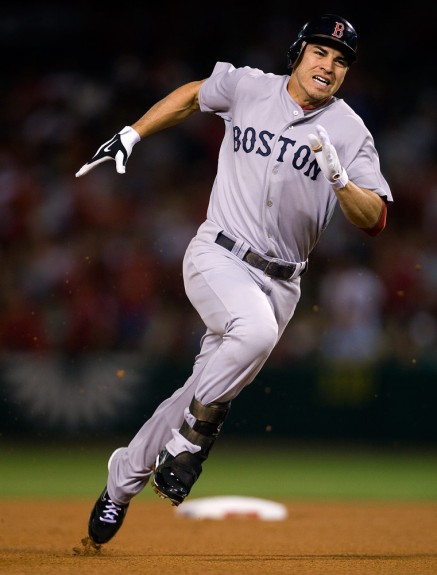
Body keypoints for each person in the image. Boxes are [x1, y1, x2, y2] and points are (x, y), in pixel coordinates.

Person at [75, 13, 393, 546]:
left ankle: (120, 482)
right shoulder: (250, 86)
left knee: (196, 389)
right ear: (298, 53)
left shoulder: (351, 130)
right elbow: (193, 94)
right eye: (320, 52)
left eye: (340, 61)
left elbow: (376, 219)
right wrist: (134, 131)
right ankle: (192, 443)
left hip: (283, 283)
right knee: (254, 333)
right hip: (218, 254)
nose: (329, 65)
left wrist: (340, 180)